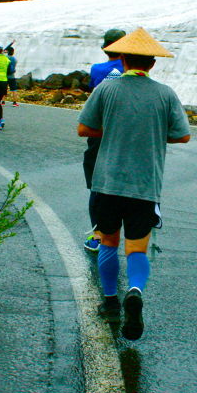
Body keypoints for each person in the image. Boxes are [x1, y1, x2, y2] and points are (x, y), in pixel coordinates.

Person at [77, 28, 191, 340]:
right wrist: (152, 132)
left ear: (123, 59)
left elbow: (84, 128)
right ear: (152, 64)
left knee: (109, 241)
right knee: (137, 246)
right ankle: (136, 291)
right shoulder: (166, 94)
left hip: (108, 181)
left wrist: (113, 130)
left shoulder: (106, 89)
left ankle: (111, 302)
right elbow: (182, 134)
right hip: (145, 183)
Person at [82, 28, 126, 251]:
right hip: (125, 133)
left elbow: (93, 93)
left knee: (97, 186)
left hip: (99, 133)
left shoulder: (97, 69)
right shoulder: (129, 69)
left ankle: (97, 234)